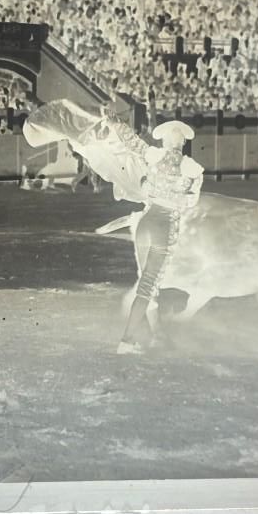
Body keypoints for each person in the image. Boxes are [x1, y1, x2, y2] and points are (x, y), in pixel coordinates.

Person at [98, 116, 204, 354]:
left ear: (165, 140)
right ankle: (126, 341)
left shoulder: (155, 155)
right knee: (148, 287)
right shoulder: (193, 169)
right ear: (183, 142)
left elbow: (132, 142)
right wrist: (168, 196)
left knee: (144, 284)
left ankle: (153, 334)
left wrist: (115, 123)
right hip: (164, 225)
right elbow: (189, 202)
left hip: (145, 221)